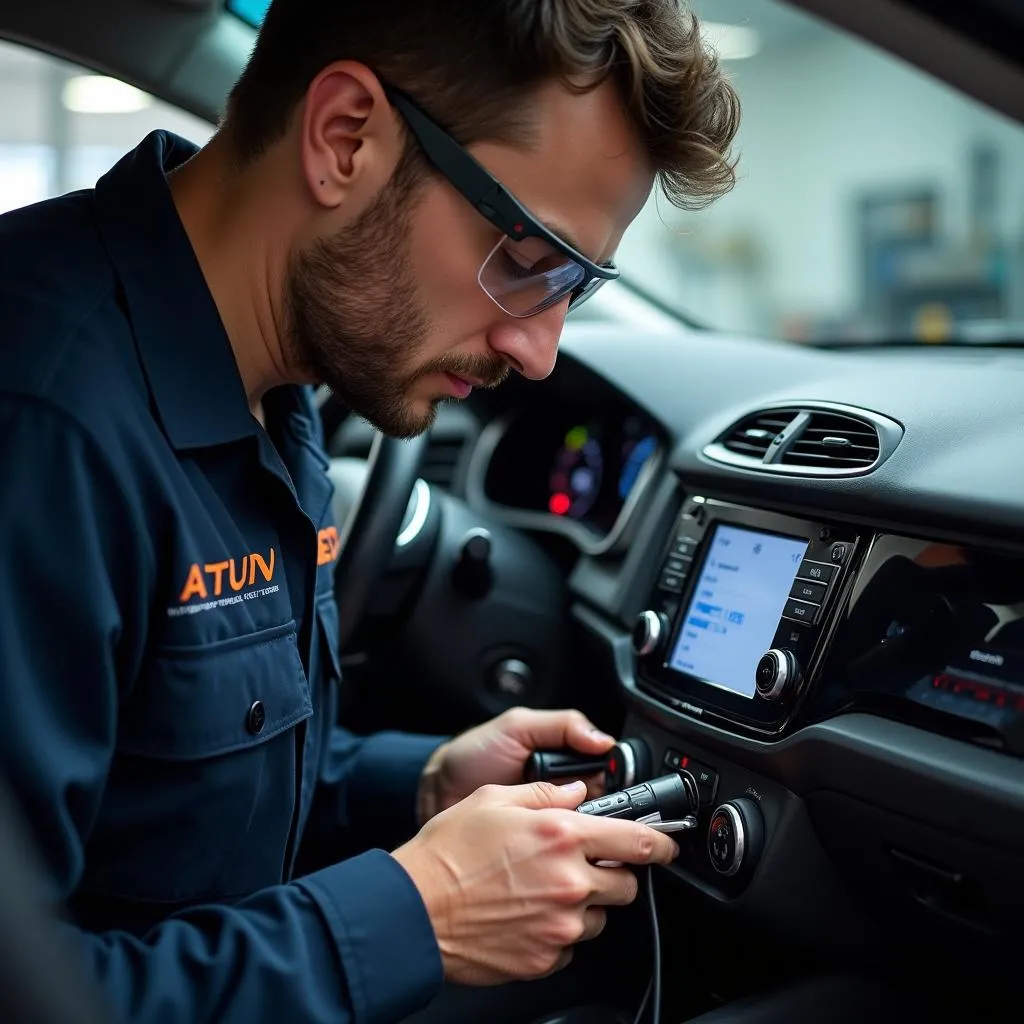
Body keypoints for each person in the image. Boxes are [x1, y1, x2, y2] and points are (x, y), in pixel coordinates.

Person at [0, 0, 739, 1020]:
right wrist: (417, 915)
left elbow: (170, 794)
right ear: (345, 136)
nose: (539, 352)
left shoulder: (273, 372)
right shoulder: (41, 425)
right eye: (527, 263)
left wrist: (420, 788)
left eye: (578, 287)